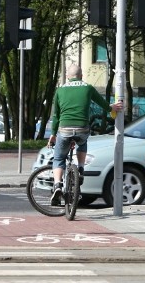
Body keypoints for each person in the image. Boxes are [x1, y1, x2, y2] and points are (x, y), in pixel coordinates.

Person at [48, 64, 122, 205]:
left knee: (58, 158)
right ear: (81, 76)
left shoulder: (60, 90)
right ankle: (81, 168)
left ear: (68, 76)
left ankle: (57, 185)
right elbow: (103, 104)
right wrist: (112, 107)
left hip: (64, 130)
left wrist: (53, 134)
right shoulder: (87, 87)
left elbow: (56, 115)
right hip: (82, 128)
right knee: (82, 142)